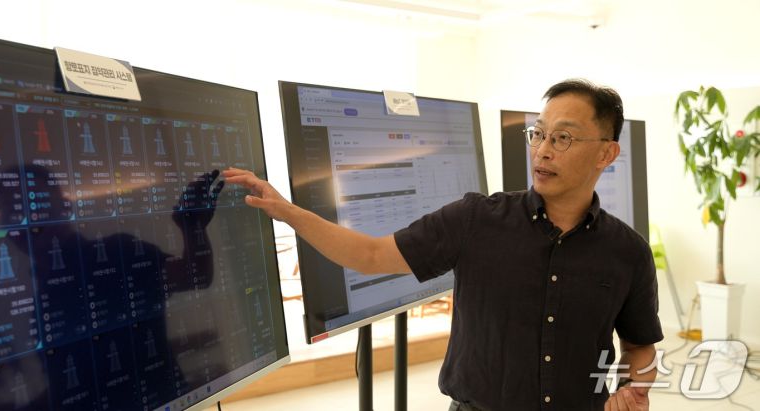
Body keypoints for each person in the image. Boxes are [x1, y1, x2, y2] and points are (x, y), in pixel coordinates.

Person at [223, 78, 663, 411]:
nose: (543, 150)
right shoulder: (476, 220)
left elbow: (640, 345)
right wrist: (289, 211)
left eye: (563, 137)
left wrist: (633, 388)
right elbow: (370, 255)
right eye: (539, 133)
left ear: (606, 154)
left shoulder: (627, 252)